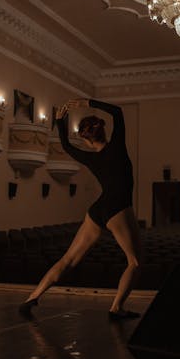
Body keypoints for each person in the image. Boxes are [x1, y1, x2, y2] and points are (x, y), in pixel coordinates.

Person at [19, 98, 143, 321]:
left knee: (68, 259)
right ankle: (116, 308)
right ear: (101, 132)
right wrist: (87, 102)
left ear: (87, 140)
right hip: (118, 206)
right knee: (134, 262)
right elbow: (117, 111)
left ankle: (32, 298)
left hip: (99, 208)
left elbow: (66, 145)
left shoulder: (89, 157)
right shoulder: (116, 146)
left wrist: (60, 120)